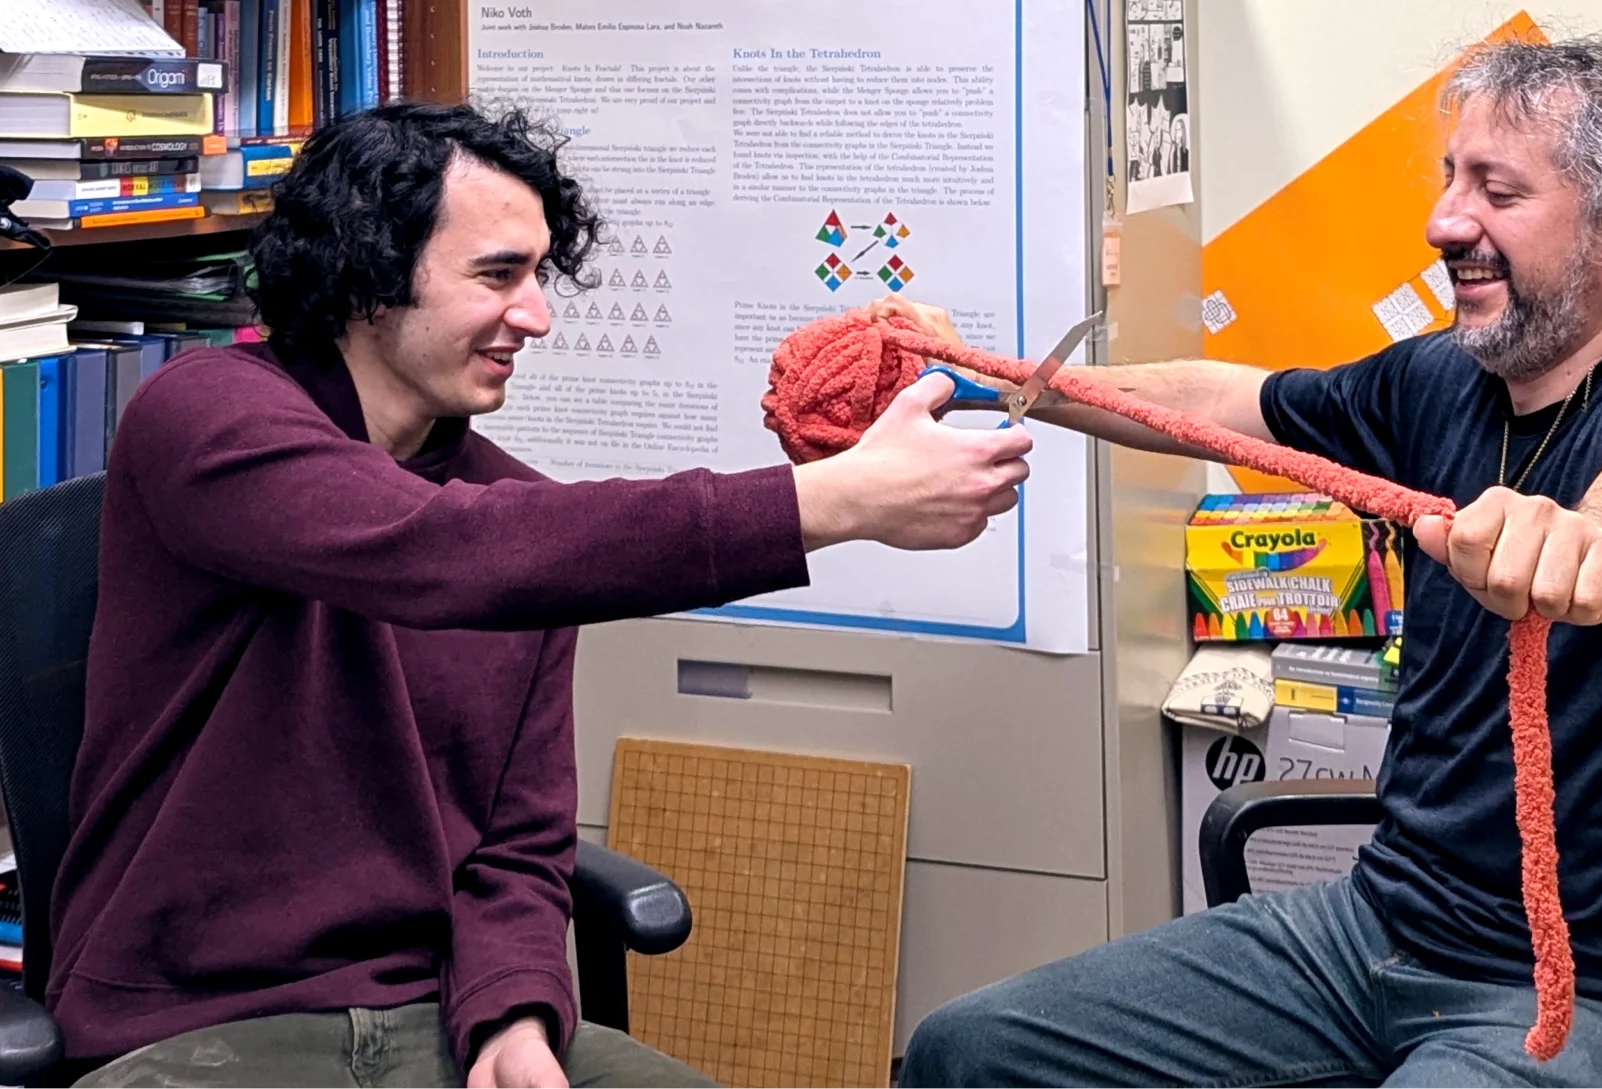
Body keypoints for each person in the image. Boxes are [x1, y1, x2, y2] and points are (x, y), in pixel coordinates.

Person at [887, 34, 1602, 1088]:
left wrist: (1589, 542)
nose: (1444, 221)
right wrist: (982, 377)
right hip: (1383, 927)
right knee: (970, 1055)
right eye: (1449, 179)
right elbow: (1223, 405)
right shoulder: (1440, 383)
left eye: (1497, 191)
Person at [50, 101, 1032, 1089]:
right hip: (193, 1029)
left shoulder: (520, 521)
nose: (537, 314)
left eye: (537, 273)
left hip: (438, 1019)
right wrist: (830, 500)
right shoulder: (203, 417)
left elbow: (520, 840)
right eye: (496, 275)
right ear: (367, 273)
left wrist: (513, 1013)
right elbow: (433, 555)